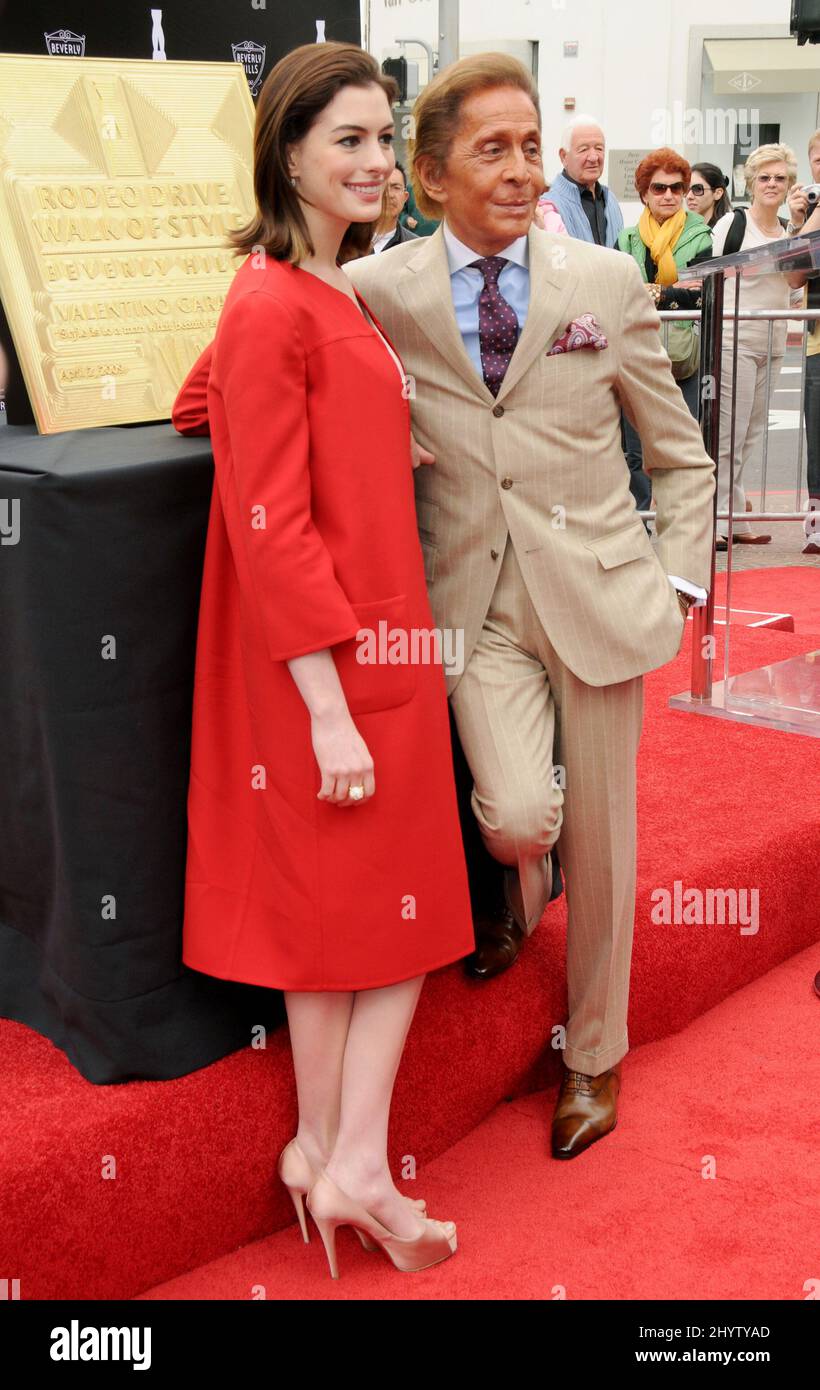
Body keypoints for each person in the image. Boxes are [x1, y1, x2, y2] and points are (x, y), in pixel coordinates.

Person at [344, 54, 715, 1159]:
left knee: (605, 844)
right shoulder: (379, 293)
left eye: (528, 147)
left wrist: (679, 578)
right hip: (472, 604)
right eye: (489, 151)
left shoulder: (603, 281)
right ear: (426, 176)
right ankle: (520, 878)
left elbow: (679, 455)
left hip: (600, 594)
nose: (518, 172)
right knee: (515, 813)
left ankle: (593, 1055)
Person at [172, 41, 474, 1278]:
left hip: (371, 643)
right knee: (393, 930)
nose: (375, 163)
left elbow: (207, 406)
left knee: (346, 926)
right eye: (344, 139)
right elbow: (270, 525)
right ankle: (353, 1165)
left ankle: (323, 1149)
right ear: (286, 152)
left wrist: (357, 438)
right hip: (335, 664)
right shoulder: (271, 301)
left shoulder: (314, 292)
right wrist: (328, 711)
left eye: (381, 137)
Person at [711, 142, 805, 549]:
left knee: (750, 434)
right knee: (728, 435)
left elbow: (794, 282)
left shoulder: (788, 229)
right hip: (735, 338)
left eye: (780, 178)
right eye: (764, 177)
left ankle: (733, 516)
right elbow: (715, 278)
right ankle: (715, 522)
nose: (772, 184)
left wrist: (800, 227)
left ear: (790, 185)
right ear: (751, 182)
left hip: (775, 340)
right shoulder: (733, 224)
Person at [617, 148, 714, 512]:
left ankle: (681, 521)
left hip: (684, 357)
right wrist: (673, 293)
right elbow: (621, 296)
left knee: (683, 445)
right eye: (659, 188)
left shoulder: (700, 235)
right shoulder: (627, 238)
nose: (669, 196)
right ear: (644, 193)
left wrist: (651, 291)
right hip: (636, 354)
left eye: (676, 188)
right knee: (635, 449)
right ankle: (641, 522)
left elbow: (702, 296)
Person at [783, 130, 820, 556]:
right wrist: (802, 221)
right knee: (819, 438)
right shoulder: (810, 215)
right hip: (817, 343)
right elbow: (793, 274)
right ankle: (816, 524)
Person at [546, 115, 624, 247]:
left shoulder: (610, 200)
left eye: (599, 148)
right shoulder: (550, 207)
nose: (594, 157)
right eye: (583, 149)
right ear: (564, 156)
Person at [371, 161, 419, 252]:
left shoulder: (415, 248)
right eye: (383, 186)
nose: (389, 194)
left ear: (405, 197)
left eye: (396, 188)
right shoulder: (346, 241)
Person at [686, 162, 732, 228]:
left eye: (698, 189)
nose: (689, 196)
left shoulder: (726, 230)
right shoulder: (684, 229)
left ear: (717, 193)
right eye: (686, 189)